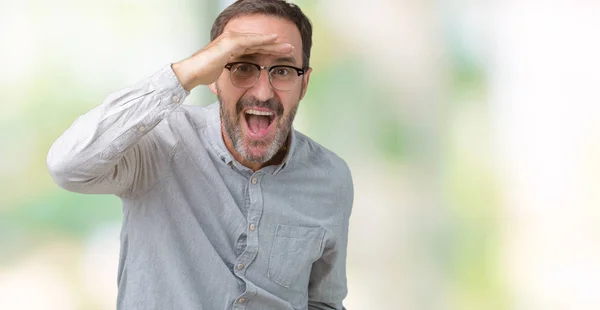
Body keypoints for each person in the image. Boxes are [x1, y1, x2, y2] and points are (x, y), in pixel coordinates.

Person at [47, 0, 353, 309]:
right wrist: (185, 73)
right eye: (242, 67)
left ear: (304, 83)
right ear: (214, 77)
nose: (263, 92)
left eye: (283, 70)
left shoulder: (331, 178)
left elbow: (323, 303)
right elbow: (67, 165)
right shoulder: (161, 143)